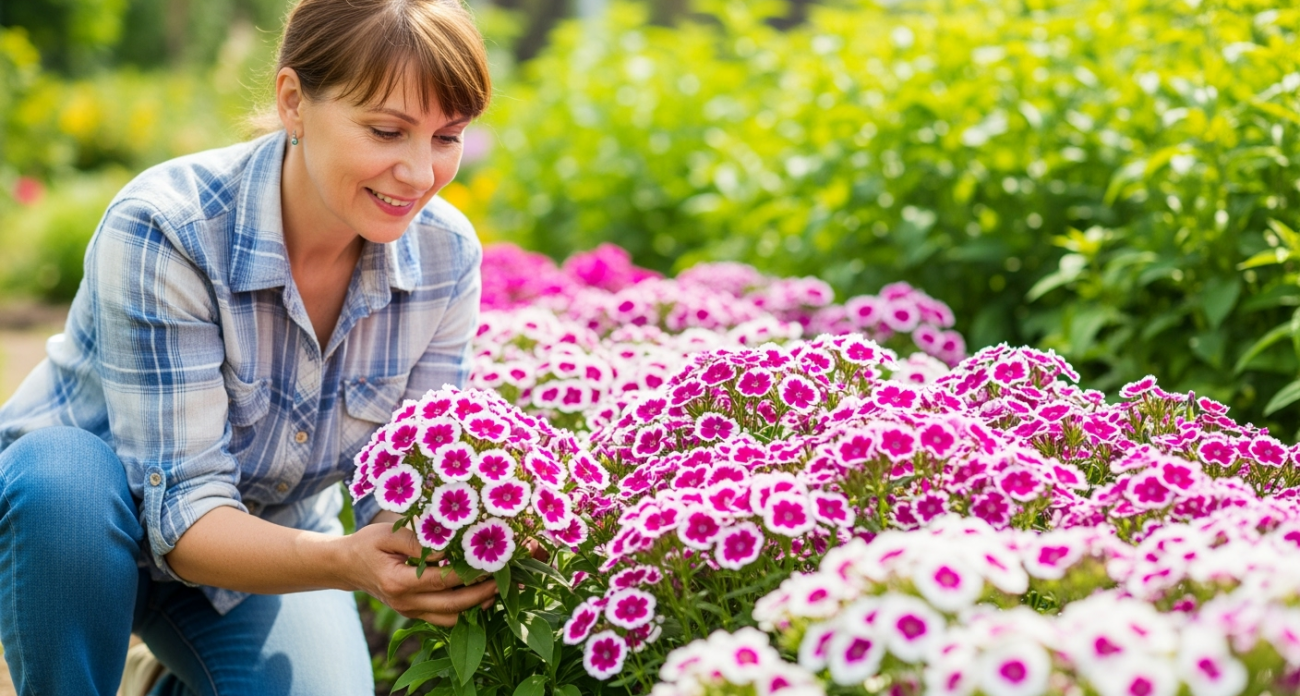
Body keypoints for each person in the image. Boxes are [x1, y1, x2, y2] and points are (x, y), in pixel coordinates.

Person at [0, 1, 498, 693]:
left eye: (447, 137)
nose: (419, 173)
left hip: (267, 540)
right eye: (387, 131)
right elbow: (184, 513)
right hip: (77, 532)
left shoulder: (445, 256)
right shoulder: (169, 229)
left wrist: (442, 538)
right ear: (294, 102)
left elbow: (404, 480)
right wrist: (347, 562)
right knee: (62, 481)